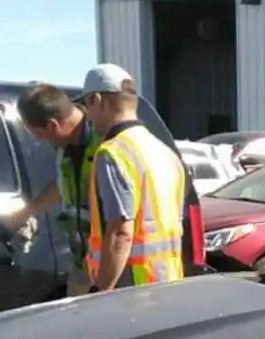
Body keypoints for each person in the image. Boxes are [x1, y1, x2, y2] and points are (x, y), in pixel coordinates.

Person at [78, 64, 188, 292]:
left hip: (131, 289)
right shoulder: (165, 152)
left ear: (97, 100)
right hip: (169, 281)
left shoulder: (113, 152)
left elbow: (120, 232)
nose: (87, 115)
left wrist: (101, 290)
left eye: (87, 104)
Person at [13, 82, 101, 295]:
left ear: (53, 125)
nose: (37, 139)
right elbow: (62, 183)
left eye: (36, 132)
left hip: (113, 265)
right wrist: (25, 213)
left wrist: (104, 287)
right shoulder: (66, 145)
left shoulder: (106, 141)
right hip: (84, 260)